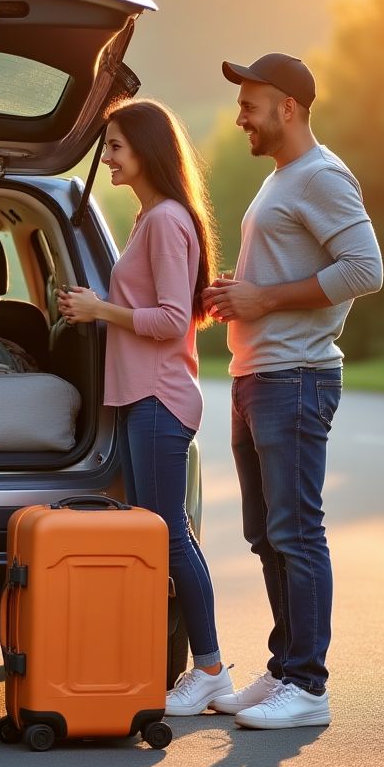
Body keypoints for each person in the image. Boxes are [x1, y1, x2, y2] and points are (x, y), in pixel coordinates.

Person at [204, 53, 382, 729]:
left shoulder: (322, 176)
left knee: (296, 532)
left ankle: (308, 687)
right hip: (257, 374)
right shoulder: (283, 179)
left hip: (297, 376)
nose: (241, 116)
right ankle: (284, 668)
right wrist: (237, 295)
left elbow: (366, 269)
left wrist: (265, 298)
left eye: (251, 105)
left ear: (289, 108)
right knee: (265, 533)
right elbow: (277, 278)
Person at [58, 98, 234, 716]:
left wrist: (99, 310)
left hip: (160, 397)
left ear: (148, 151)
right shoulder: (148, 219)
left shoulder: (165, 222)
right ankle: (185, 665)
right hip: (142, 397)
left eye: (116, 147)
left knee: (168, 537)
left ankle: (210, 667)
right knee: (155, 536)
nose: (108, 157)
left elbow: (168, 320)